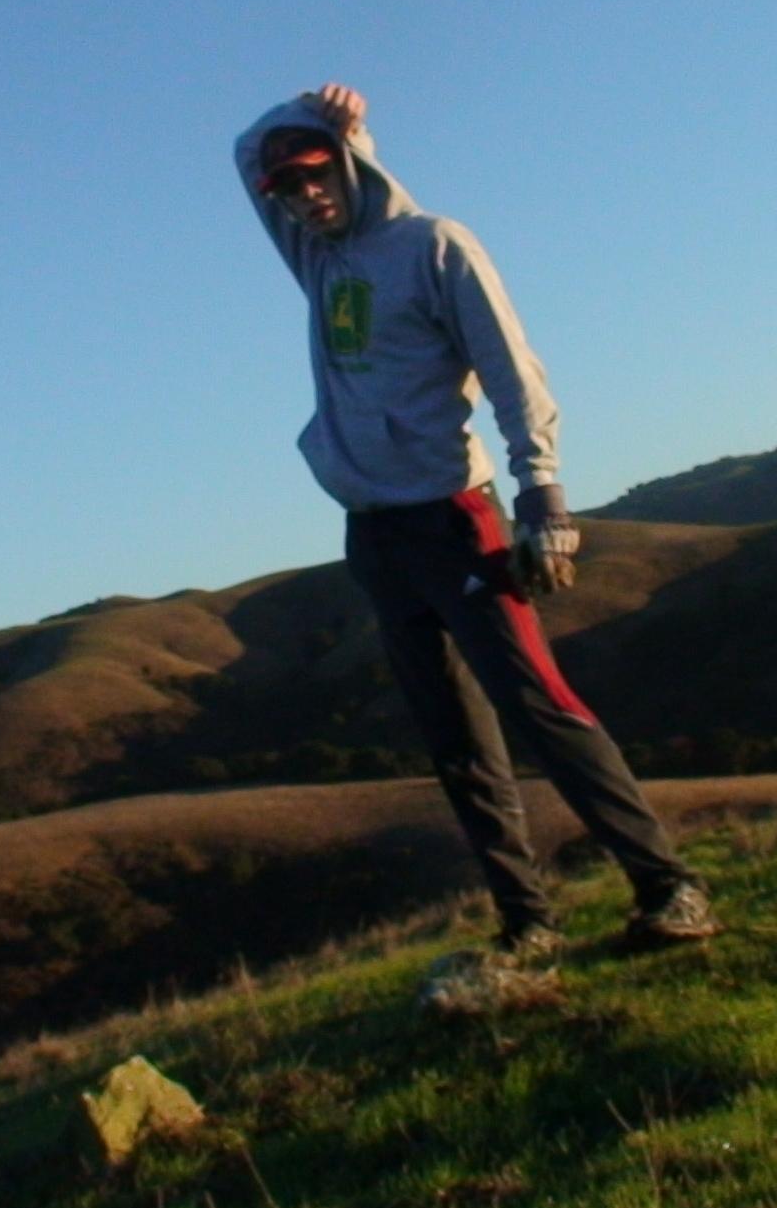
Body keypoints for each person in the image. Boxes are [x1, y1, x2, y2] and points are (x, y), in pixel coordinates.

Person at [233, 82, 717, 959]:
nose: (306, 199)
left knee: (541, 707)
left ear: (347, 164)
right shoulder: (316, 259)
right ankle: (527, 922)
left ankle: (669, 886)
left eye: (315, 176)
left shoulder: (432, 245)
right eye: (289, 191)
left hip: (454, 519)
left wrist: (543, 495)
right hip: (374, 535)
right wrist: (301, 120)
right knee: (453, 740)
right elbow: (242, 154)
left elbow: (511, 370)